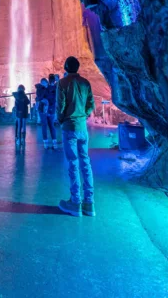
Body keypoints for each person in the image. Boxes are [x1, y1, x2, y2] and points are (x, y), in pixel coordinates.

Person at [56, 56, 95, 217]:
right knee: (86, 163)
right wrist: (83, 115)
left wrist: (61, 119)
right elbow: (91, 104)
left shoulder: (62, 83)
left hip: (69, 128)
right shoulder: (86, 83)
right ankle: (89, 204)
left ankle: (75, 202)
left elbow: (60, 105)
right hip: (82, 128)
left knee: (73, 163)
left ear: (65, 68)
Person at [39, 74, 57, 150]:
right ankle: (54, 144)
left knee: (44, 125)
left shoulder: (45, 88)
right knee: (51, 126)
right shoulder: (57, 88)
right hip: (52, 109)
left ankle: (46, 144)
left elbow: (40, 97)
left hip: (44, 109)